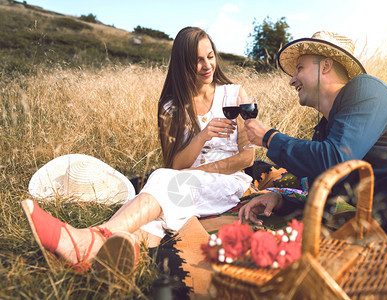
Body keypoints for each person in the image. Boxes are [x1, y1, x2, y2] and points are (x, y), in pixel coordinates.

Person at [22, 26, 256, 295]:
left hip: (228, 185)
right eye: (197, 61)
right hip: (184, 187)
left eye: (210, 56)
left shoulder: (235, 96)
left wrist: (200, 172)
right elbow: (176, 165)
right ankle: (119, 258)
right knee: (154, 211)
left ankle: (89, 239)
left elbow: (247, 157)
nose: (207, 66)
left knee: (160, 181)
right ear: (182, 66)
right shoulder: (173, 106)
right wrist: (201, 137)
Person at [239, 31, 387, 237]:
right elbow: (326, 199)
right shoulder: (324, 133)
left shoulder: (366, 89)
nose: (292, 80)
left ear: (326, 65)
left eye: (299, 68)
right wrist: (280, 201)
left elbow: (336, 159)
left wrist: (270, 138)